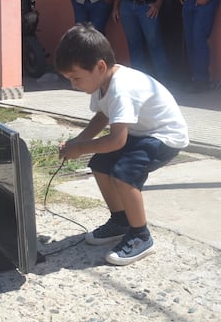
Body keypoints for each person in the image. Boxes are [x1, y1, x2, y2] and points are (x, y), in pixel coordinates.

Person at [54, 23, 188, 266]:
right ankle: (120, 221)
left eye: (76, 78)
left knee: (124, 174)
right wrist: (78, 141)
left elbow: (117, 140)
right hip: (142, 132)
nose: (73, 85)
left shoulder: (121, 88)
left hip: (165, 136)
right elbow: (102, 116)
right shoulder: (101, 81)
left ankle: (141, 236)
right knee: (100, 164)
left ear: (100, 66)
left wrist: (81, 148)